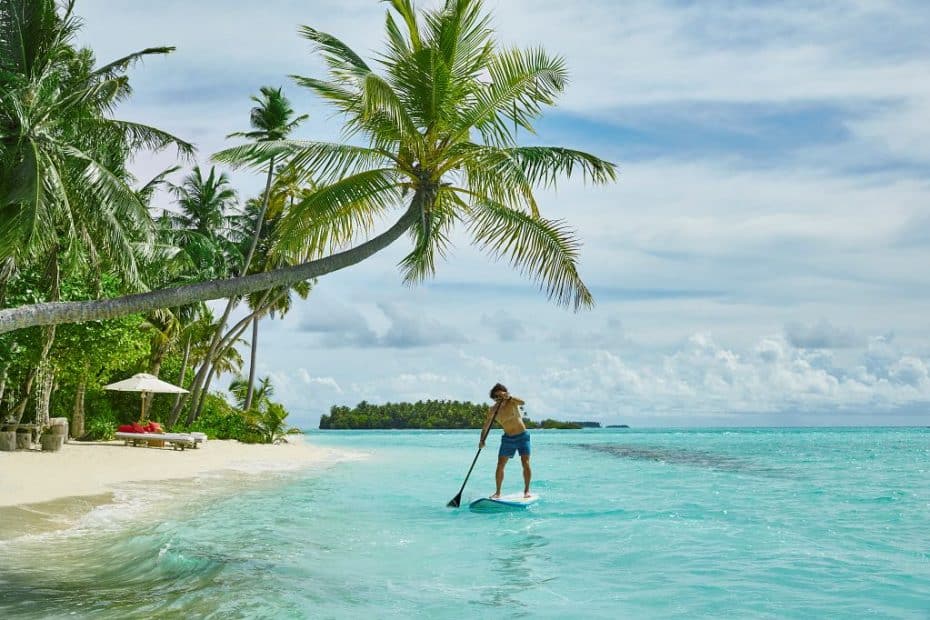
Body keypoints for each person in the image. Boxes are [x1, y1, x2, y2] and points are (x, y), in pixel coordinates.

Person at [479, 382, 531, 498]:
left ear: (505, 394)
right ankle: (498, 492)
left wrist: (510, 397)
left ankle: (527, 491)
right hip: (508, 438)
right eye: (496, 397)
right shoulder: (493, 410)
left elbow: (523, 402)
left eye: (501, 395)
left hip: (523, 436)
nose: (499, 398)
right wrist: (482, 440)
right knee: (500, 464)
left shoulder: (512, 402)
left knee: (525, 462)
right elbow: (486, 426)